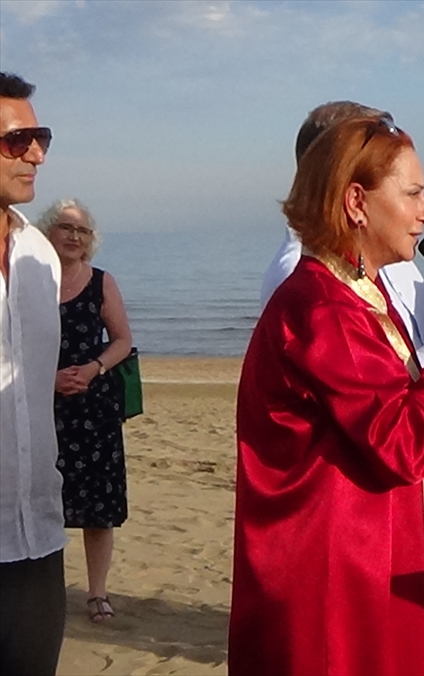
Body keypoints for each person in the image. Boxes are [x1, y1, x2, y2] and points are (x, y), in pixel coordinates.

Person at [230, 115, 424, 675]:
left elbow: (387, 415)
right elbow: (403, 442)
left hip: (369, 556)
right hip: (332, 576)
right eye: (413, 194)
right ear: (356, 203)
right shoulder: (321, 306)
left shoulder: (356, 293)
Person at [35, 199, 133, 622]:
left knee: (98, 510)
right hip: (42, 406)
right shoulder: (31, 280)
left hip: (95, 409)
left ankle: (97, 593)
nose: (74, 236)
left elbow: (122, 340)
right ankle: (46, 593)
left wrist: (94, 368)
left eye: (82, 230)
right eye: (65, 227)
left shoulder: (101, 282)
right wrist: (49, 379)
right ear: (48, 232)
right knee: (44, 504)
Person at [0, 71, 66, 675]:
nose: (36, 155)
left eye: (39, 138)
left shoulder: (40, 255)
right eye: (17, 141)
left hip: (37, 535)